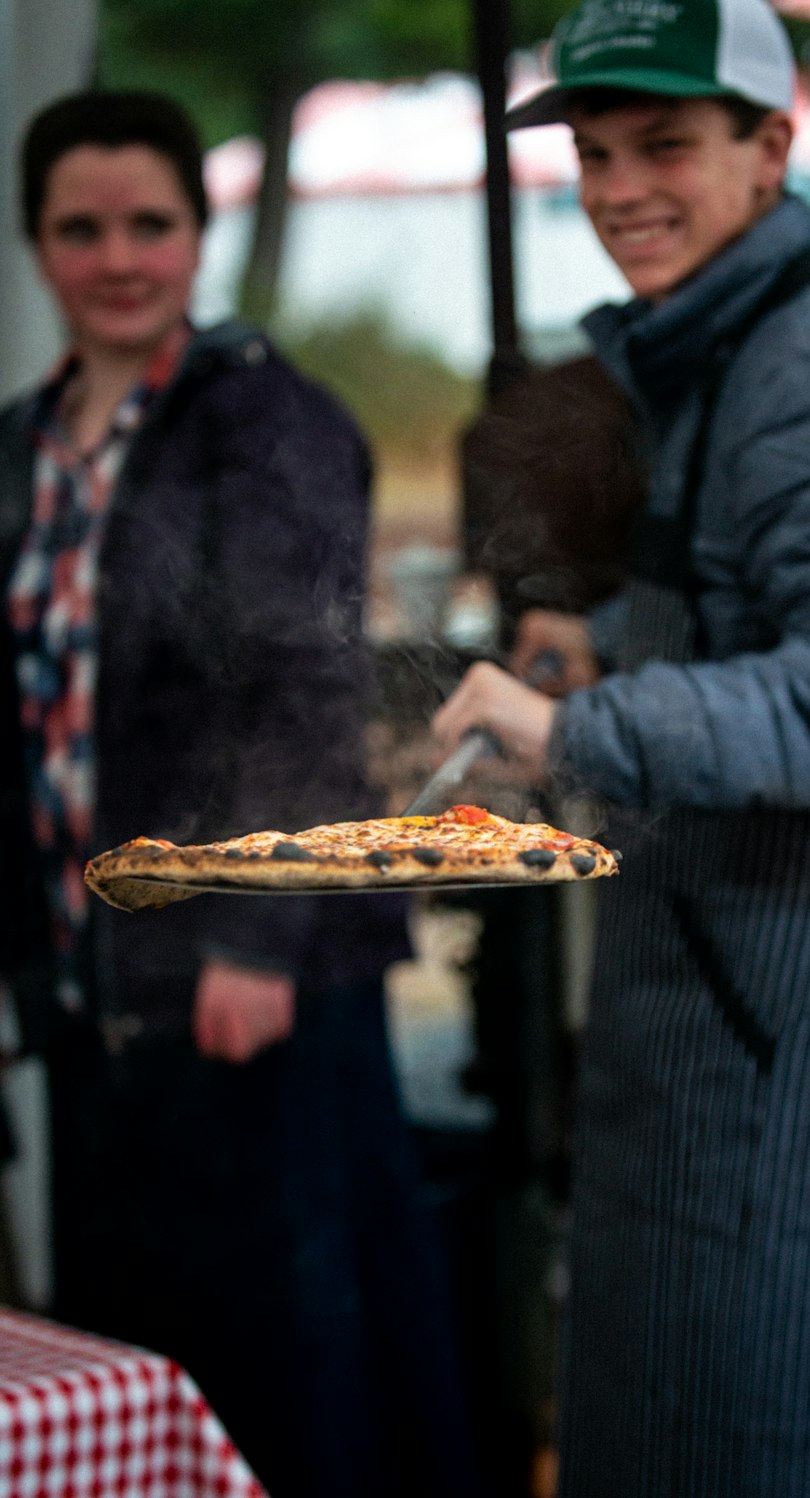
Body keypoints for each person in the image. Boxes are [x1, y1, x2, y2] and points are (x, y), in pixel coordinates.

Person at [432, 2, 810, 1494]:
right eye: (598, 151)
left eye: (666, 144)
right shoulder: (718, 352)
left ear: (772, 147)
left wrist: (578, 722)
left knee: (794, 1449)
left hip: (797, 1020)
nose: (619, 189)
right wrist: (605, 641)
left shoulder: (803, 362)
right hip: (733, 1008)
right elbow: (774, 623)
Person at [0, 90, 479, 1498]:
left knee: (298, 1358)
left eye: (151, 222)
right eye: (80, 227)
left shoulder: (265, 421)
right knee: (140, 1350)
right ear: (37, 245)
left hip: (252, 980)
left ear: (200, 234)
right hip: (97, 984)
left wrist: (251, 940)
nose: (119, 257)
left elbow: (304, 694)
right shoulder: (21, 446)